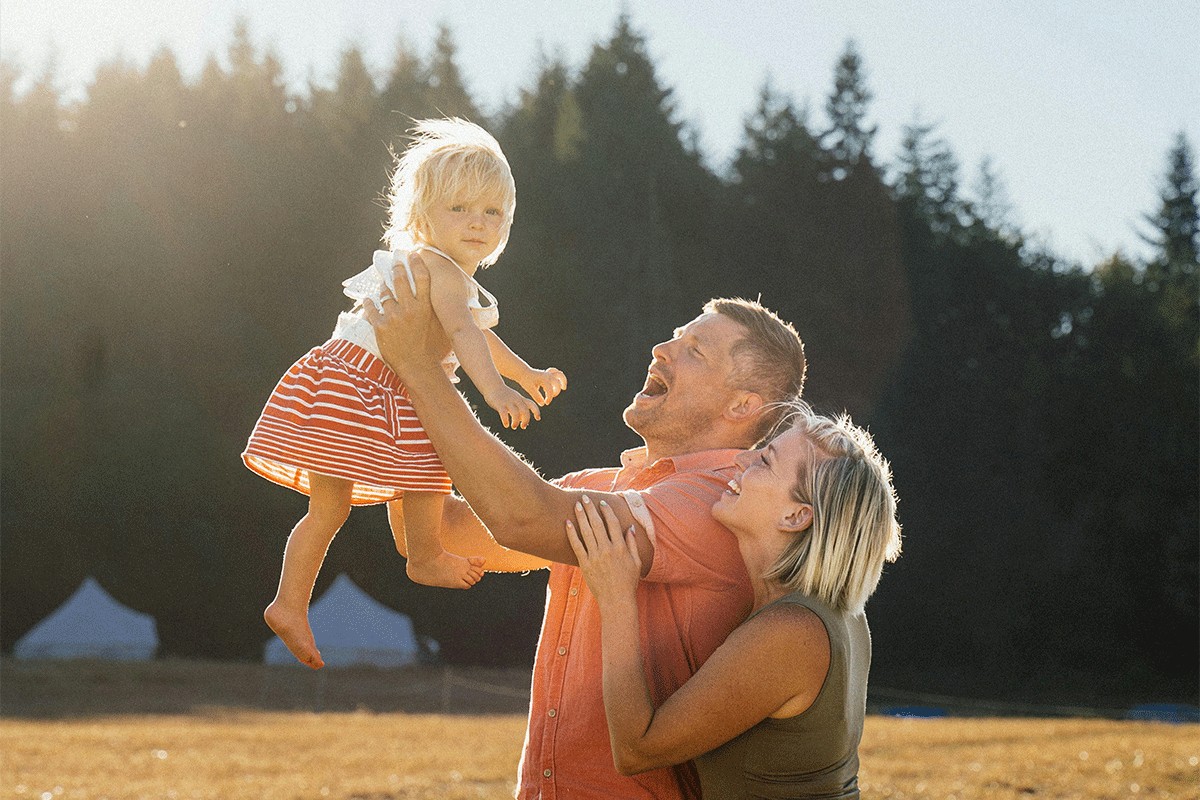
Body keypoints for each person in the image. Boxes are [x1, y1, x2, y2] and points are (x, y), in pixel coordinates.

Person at [364, 261, 807, 799]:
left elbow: (521, 516)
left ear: (742, 405)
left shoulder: (723, 502)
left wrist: (421, 370)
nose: (661, 351)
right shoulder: (607, 486)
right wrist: (400, 381)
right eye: (674, 338)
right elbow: (438, 533)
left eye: (695, 352)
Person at [242, 118, 567, 670]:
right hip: (373, 383)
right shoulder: (439, 268)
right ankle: (424, 554)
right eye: (459, 209)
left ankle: (289, 603)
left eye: (492, 213)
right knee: (431, 461)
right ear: (421, 216)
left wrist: (525, 373)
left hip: (341, 378)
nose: (477, 224)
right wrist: (495, 393)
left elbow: (478, 333)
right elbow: (465, 336)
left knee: (329, 507)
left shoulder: (434, 269)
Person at [566, 403, 902, 798]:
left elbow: (637, 748)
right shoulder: (838, 614)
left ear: (796, 516)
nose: (743, 458)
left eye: (765, 460)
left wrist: (617, 598)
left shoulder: (791, 632)